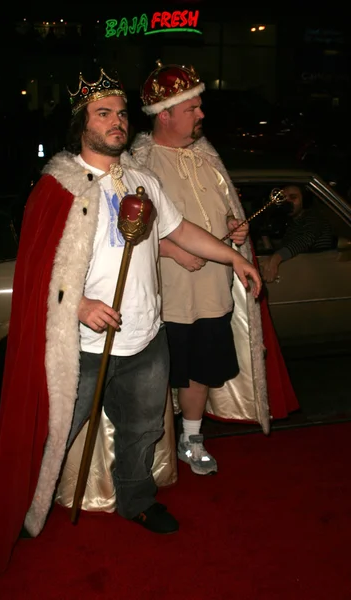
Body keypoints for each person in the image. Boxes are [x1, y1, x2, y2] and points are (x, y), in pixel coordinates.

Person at [0, 67, 262, 575]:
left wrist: (231, 258)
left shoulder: (143, 180)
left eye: (121, 113)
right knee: (55, 430)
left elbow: (182, 230)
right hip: (81, 344)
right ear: (79, 125)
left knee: (143, 429)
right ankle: (29, 506)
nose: (116, 122)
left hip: (145, 338)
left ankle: (137, 500)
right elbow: (41, 270)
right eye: (103, 114)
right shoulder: (59, 188)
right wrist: (81, 305)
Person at [131, 60, 299, 476]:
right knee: (159, 379)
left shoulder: (207, 158)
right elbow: (127, 234)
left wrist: (232, 227)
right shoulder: (141, 163)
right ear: (165, 114)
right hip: (166, 296)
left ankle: (191, 439)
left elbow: (221, 211)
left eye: (200, 107)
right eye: (192, 108)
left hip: (212, 291)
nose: (202, 114)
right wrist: (170, 251)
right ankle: (151, 450)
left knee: (200, 372)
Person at [261, 184, 337, 283]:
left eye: (293, 197)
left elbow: (305, 240)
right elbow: (285, 245)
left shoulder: (314, 218)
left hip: (319, 274)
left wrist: (276, 258)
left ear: (304, 201)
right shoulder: (292, 223)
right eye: (283, 198)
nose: (287, 202)